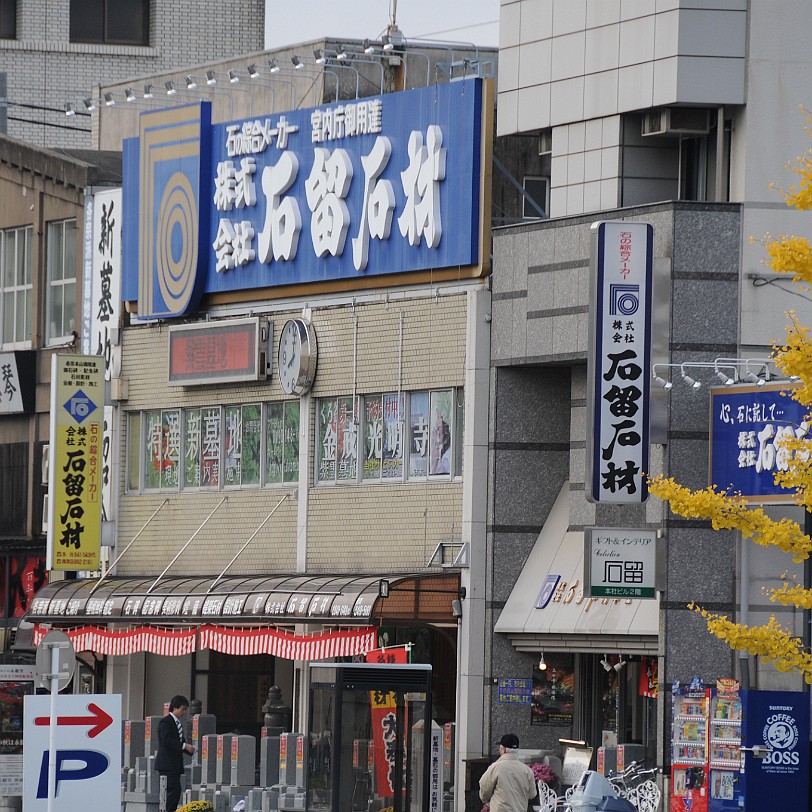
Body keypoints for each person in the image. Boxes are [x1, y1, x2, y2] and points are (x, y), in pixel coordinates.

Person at [154, 694, 195, 812]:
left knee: (175, 790)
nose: (184, 712)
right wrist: (184, 746)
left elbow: (178, 743)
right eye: (183, 709)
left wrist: (189, 749)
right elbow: (167, 740)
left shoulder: (177, 724)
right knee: (174, 790)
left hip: (174, 764)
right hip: (167, 764)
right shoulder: (165, 722)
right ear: (175, 708)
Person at [479, 733, 537, 812]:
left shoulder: (496, 767)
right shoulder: (527, 770)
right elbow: (532, 794)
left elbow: (484, 787)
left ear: (503, 749)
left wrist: (486, 800)